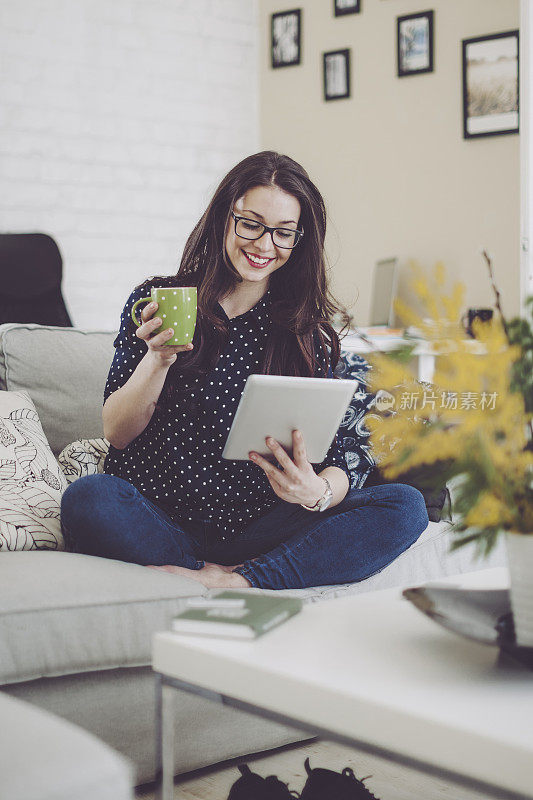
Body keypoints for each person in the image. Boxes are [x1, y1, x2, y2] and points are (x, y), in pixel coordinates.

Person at [60, 151, 428, 590]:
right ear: (224, 217)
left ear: (299, 240)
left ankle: (241, 580)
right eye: (251, 224)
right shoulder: (157, 300)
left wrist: (317, 493)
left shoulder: (305, 329)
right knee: (88, 499)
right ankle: (207, 570)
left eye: (283, 233)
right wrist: (156, 360)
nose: (264, 245)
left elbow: (332, 457)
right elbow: (117, 433)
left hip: (259, 524)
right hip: (161, 517)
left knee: (406, 506)